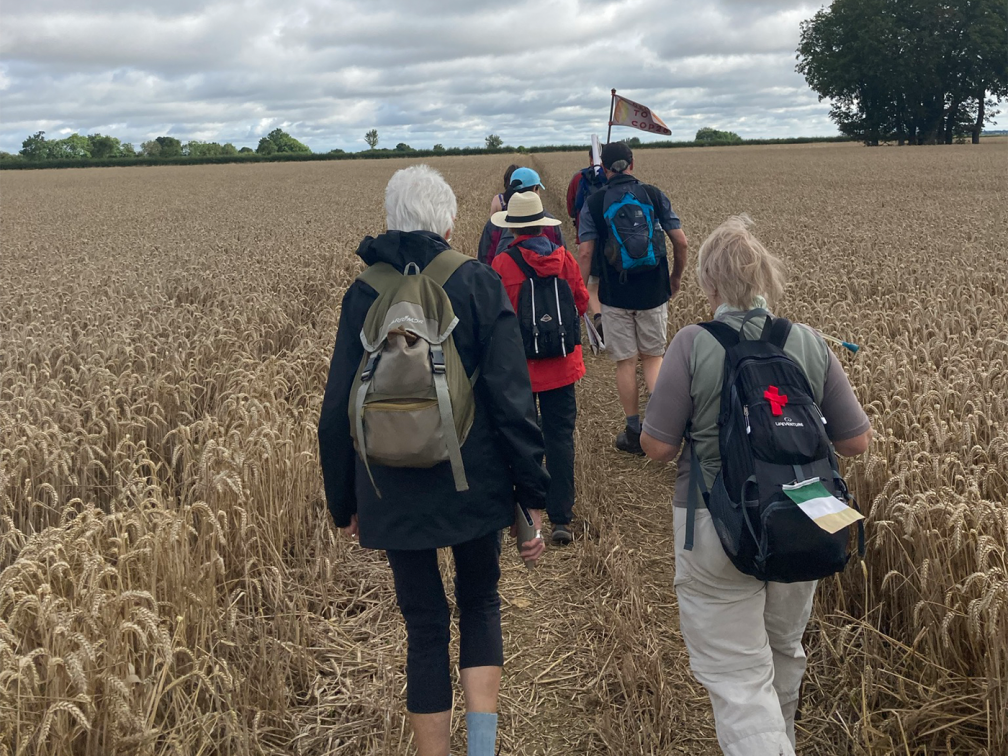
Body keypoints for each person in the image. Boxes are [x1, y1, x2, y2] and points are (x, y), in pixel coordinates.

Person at [318, 165, 550, 756]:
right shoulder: (473, 281)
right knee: (479, 603)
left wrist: (344, 502)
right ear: (446, 220)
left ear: (392, 220)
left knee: (423, 627)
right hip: (472, 479)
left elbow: (337, 409)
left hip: (389, 487)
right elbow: (510, 397)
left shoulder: (363, 291)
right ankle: (481, 749)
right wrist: (532, 494)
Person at [640, 215, 873, 756]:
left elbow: (657, 446)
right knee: (783, 649)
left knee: (740, 678)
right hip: (808, 518)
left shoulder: (692, 343)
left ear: (709, 285)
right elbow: (856, 441)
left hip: (715, 525)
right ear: (766, 280)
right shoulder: (809, 342)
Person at [490, 191, 590, 545]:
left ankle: (524, 515)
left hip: (519, 371)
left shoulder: (502, 264)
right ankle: (562, 517)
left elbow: (496, 319)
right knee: (559, 438)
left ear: (514, 228)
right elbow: (582, 302)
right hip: (563, 367)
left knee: (521, 440)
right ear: (542, 225)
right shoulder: (564, 260)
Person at [576, 142, 688, 454]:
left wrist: (581, 292)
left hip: (615, 294)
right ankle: (665, 429)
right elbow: (681, 241)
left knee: (625, 362)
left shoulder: (595, 203)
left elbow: (585, 252)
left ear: (604, 168)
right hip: (654, 289)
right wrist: (675, 277)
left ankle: (633, 431)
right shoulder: (653, 194)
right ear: (632, 164)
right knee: (653, 358)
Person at [477, 167, 565, 266]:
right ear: (535, 188)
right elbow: (562, 258)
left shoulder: (493, 226)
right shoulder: (551, 225)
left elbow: (484, 263)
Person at [565, 148, 606, 334]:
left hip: (587, 236)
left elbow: (571, 207)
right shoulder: (612, 178)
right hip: (612, 240)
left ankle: (598, 316)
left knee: (592, 284)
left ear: (590, 157)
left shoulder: (578, 178)